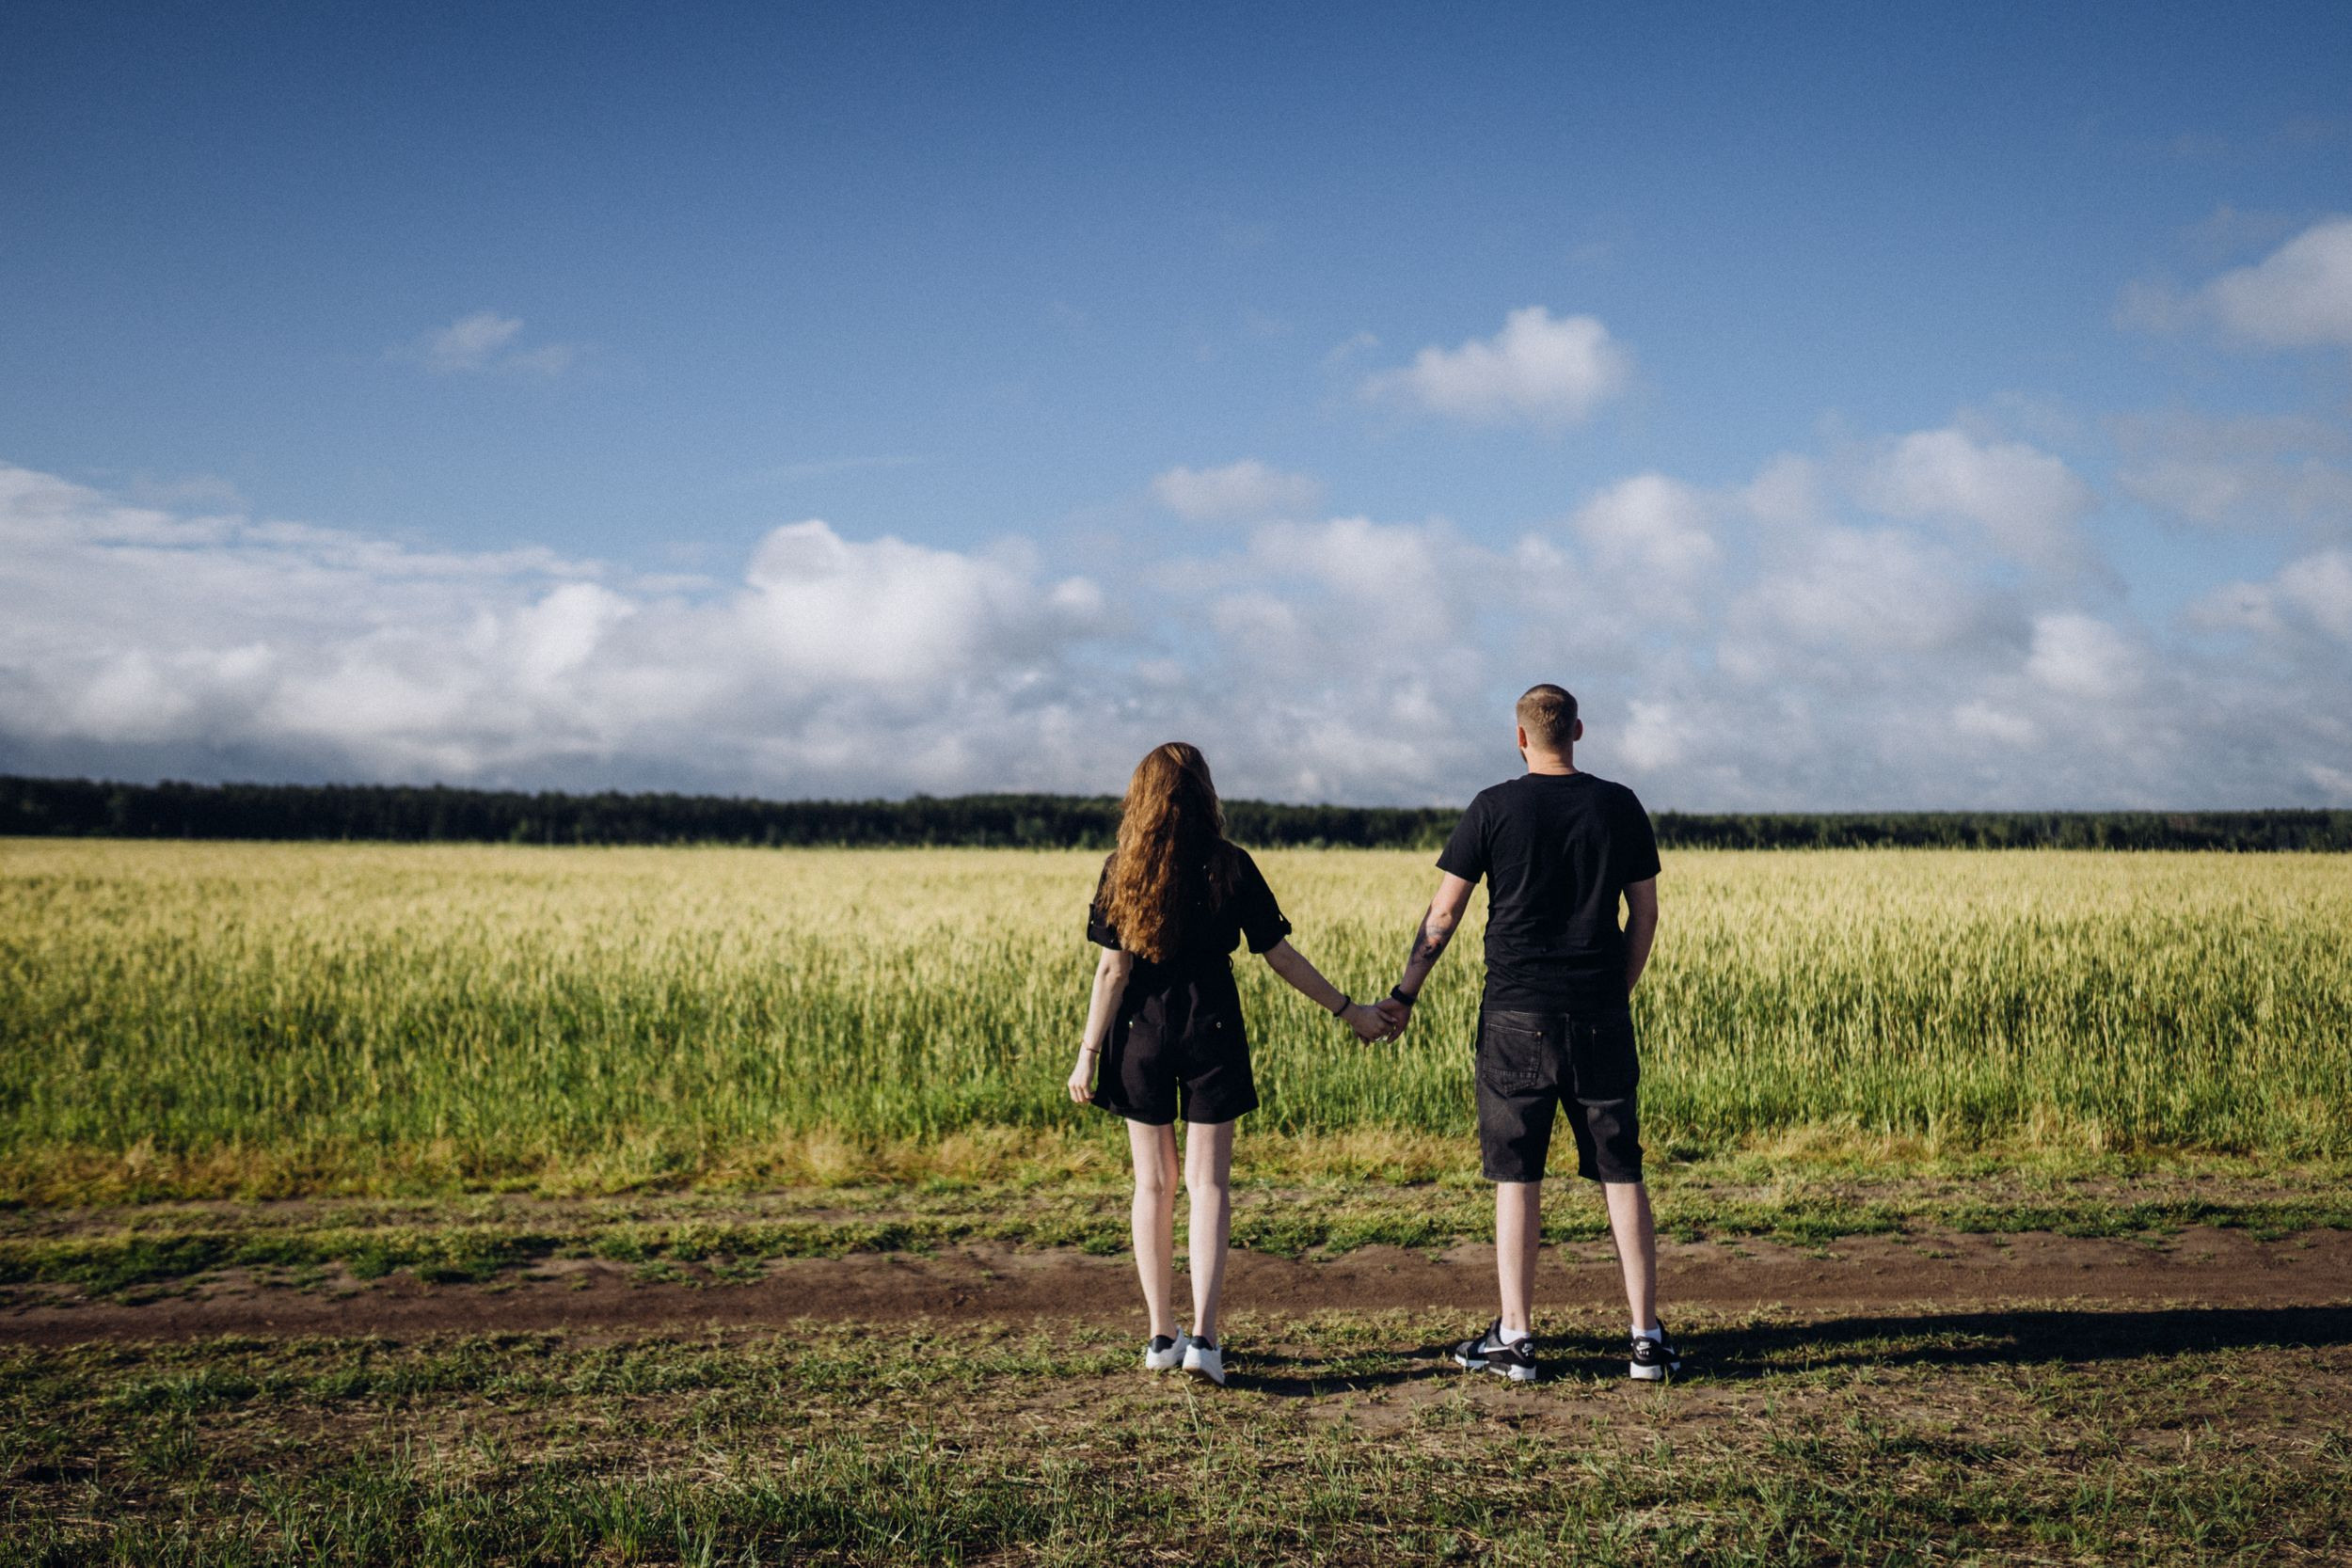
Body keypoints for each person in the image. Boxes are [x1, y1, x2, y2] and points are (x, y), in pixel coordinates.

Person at [1375, 684, 1680, 1384]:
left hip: (1514, 1016)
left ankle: (1515, 1338)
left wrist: (1403, 995)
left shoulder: (1494, 806)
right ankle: (1645, 1340)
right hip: (1599, 1012)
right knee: (1621, 1167)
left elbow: (1443, 915)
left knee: (1516, 1175)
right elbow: (1646, 915)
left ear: (1520, 738)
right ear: (1578, 729)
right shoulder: (1619, 804)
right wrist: (1613, 993)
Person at [1068, 741, 1391, 1386]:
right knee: (1207, 1186)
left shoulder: (1121, 866)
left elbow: (1112, 969)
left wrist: (1088, 1054)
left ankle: (1161, 1334)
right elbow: (1281, 955)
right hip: (1211, 1027)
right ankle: (1206, 1342)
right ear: (1205, 794)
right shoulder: (1230, 864)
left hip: (1140, 1034)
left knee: (1151, 1186)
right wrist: (1349, 1009)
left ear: (1143, 797)